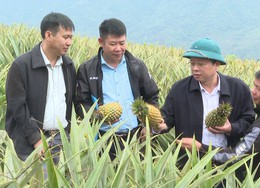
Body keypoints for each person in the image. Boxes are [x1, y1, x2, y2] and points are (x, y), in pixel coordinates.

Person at [181, 67, 260, 187]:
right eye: (254, 85)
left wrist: (200, 148)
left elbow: (235, 156)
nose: (252, 91)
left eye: (259, 89)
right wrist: (231, 128)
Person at [159, 38, 255, 166]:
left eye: (201, 64)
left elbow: (249, 121)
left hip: (226, 161)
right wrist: (158, 125)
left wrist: (231, 128)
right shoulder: (180, 89)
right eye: (192, 64)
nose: (195, 69)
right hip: (189, 162)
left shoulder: (238, 88)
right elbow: (167, 118)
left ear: (217, 64)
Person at [75, 18, 159, 159]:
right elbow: (80, 103)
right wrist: (98, 117)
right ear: (101, 42)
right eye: (112, 44)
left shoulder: (137, 66)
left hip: (135, 137)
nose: (118, 48)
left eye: (122, 43)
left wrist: (148, 125)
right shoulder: (87, 69)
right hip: (103, 139)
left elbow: (152, 95)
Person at [5, 12, 76, 164]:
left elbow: (69, 101)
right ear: (48, 35)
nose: (69, 42)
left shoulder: (68, 66)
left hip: (61, 140)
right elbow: (17, 106)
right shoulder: (21, 65)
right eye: (65, 37)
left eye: (71, 37)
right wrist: (36, 139)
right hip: (30, 143)